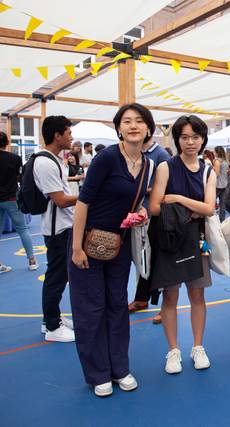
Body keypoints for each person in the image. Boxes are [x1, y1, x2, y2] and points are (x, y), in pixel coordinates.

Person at [68, 103, 153, 397]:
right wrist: (77, 248)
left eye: (139, 121)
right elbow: (83, 202)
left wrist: (140, 212)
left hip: (120, 245)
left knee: (117, 306)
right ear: (118, 128)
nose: (133, 126)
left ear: (148, 129)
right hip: (89, 242)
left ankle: (120, 368)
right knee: (91, 309)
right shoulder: (106, 158)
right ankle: (98, 373)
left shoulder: (148, 164)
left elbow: (137, 200)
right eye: (126, 121)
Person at [149, 115, 215, 375]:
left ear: (202, 139)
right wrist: (192, 208)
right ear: (177, 139)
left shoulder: (208, 169)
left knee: (198, 295)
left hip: (197, 242)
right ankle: (173, 350)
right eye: (185, 137)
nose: (190, 142)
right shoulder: (166, 167)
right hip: (170, 240)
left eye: (195, 137)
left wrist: (176, 198)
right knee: (170, 296)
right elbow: (155, 206)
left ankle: (198, 347)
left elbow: (209, 208)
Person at [33, 117, 78, 342]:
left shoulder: (54, 160)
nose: (71, 137)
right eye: (68, 132)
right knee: (56, 277)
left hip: (62, 226)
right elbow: (60, 200)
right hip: (57, 229)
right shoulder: (45, 163)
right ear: (57, 135)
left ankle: (51, 319)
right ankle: (52, 326)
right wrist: (88, 196)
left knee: (59, 276)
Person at [127, 134, 172, 324]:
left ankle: (166, 307)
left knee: (159, 264)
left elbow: (166, 187)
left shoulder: (161, 155)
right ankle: (141, 298)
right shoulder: (132, 153)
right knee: (140, 260)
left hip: (154, 217)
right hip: (135, 217)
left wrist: (138, 189)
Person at [0, 131, 38, 273]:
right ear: (7, 142)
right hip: (11, 198)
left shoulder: (15, 158)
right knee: (23, 229)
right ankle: (32, 261)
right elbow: (20, 178)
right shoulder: (15, 158)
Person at [213, 146, 229, 221]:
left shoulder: (217, 161)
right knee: (222, 204)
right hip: (224, 184)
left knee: (212, 202)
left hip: (217, 185)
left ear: (217, 152)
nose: (213, 152)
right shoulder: (225, 161)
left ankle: (212, 220)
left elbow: (216, 174)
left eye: (214, 151)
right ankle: (221, 221)